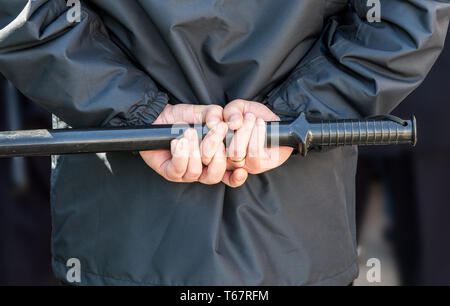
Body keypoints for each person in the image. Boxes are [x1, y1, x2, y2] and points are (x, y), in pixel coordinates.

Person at [0, 0, 448, 286]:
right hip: (293, 243)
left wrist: (137, 113)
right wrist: (299, 112)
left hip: (123, 241)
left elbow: (24, 15)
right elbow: (406, 17)